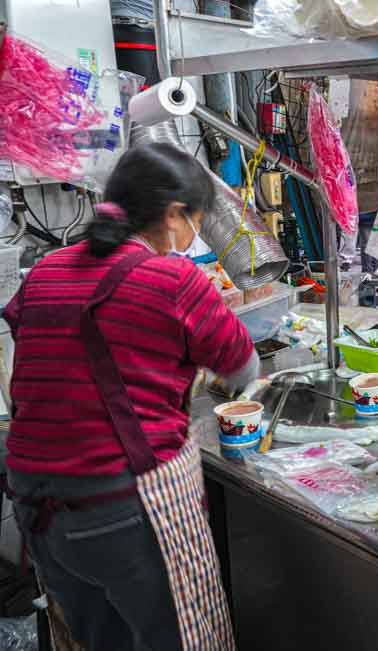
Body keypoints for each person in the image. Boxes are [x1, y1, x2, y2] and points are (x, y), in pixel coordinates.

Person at [2, 144, 257, 649]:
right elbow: (243, 366)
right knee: (178, 640)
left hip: (38, 507)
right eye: (196, 224)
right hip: (121, 506)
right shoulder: (175, 278)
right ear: (174, 215)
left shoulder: (49, 270)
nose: (191, 239)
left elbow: (47, 357)